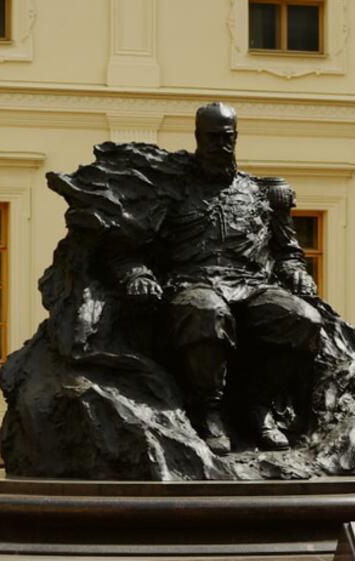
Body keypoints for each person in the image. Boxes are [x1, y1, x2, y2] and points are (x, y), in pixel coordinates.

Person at [110, 101, 322, 454]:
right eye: (210, 138)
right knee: (207, 311)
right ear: (197, 137)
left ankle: (258, 406)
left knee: (303, 319)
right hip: (192, 282)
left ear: (236, 138)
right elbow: (128, 248)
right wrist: (137, 274)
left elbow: (288, 252)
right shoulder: (172, 191)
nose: (218, 146)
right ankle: (209, 412)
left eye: (225, 138)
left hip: (252, 285)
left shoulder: (261, 192)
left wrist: (298, 274)